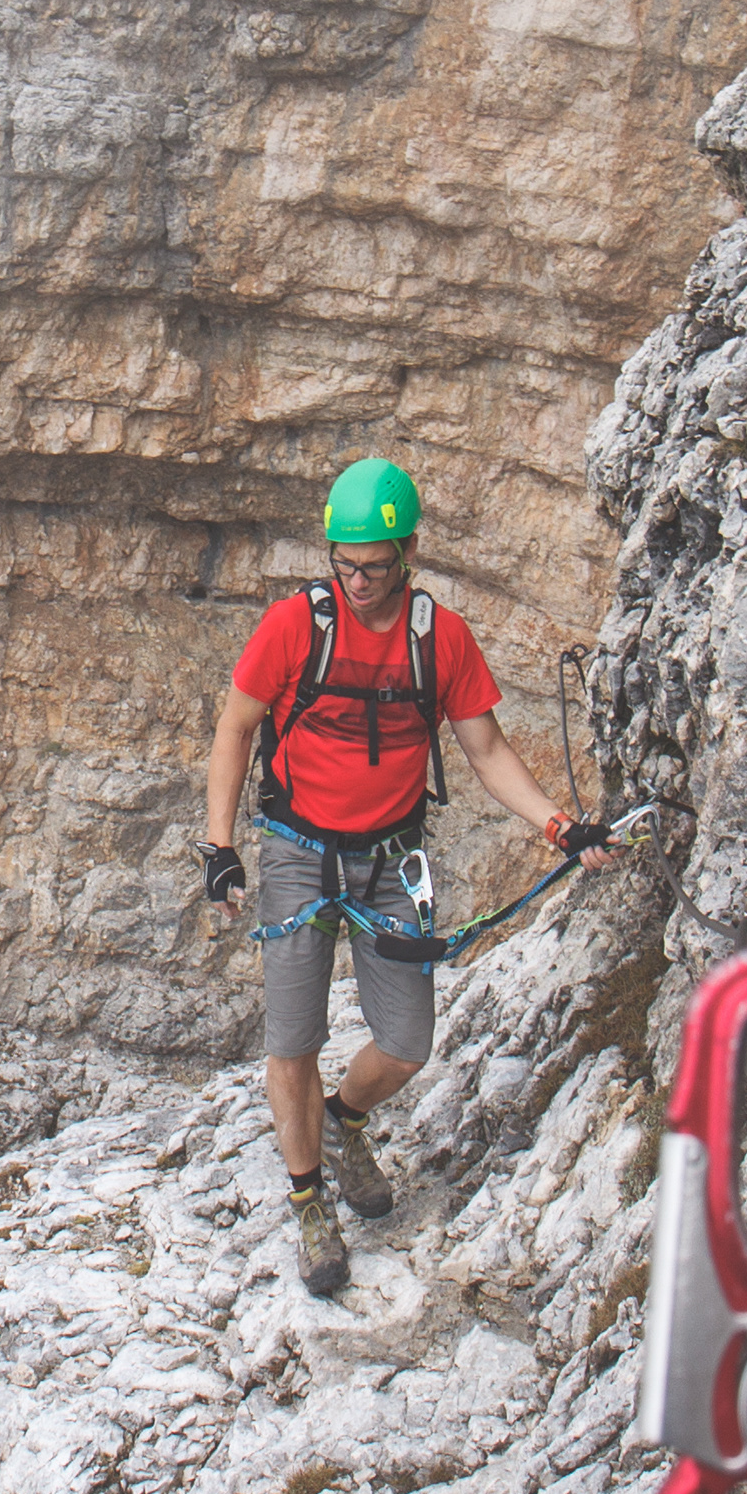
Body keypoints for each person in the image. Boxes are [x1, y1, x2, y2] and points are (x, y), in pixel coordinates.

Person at [199, 457, 613, 1295]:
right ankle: (311, 1201)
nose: (356, 582)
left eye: (374, 565)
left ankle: (346, 1121)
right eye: (343, 564)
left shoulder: (440, 639)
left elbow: (487, 750)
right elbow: (236, 727)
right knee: (294, 1038)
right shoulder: (295, 626)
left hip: (391, 858)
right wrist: (220, 846)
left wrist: (557, 824)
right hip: (294, 852)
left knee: (406, 1043)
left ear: (409, 552)